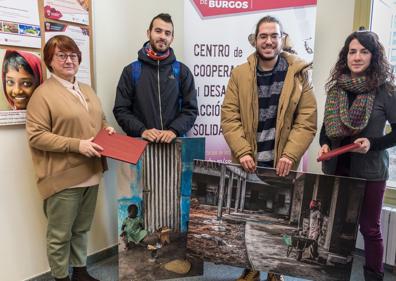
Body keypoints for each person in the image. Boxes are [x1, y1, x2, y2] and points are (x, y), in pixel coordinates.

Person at [221, 15, 317, 281]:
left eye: (274, 36)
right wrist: (242, 151)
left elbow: (306, 119)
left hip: (281, 162)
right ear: (255, 40)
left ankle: (276, 271)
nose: (269, 41)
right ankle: (251, 268)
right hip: (248, 160)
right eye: (263, 36)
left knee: (279, 220)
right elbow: (229, 117)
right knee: (251, 218)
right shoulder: (239, 73)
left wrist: (289, 154)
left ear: (281, 39)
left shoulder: (298, 74)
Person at [26, 35, 115, 281]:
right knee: (59, 234)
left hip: (92, 173)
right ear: (50, 61)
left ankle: (80, 272)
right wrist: (77, 145)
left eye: (73, 55)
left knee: (82, 228)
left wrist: (106, 129)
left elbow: (101, 118)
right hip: (63, 177)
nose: (69, 60)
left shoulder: (86, 89)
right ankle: (60, 277)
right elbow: (37, 137)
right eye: (61, 55)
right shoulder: (42, 95)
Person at [318, 30, 396, 281]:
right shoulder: (337, 88)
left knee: (370, 229)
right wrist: (324, 145)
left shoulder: (385, 91)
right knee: (336, 226)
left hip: (371, 173)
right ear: (346, 55)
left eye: (364, 51)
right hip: (338, 168)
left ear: (373, 56)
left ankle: (373, 277)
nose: (357, 57)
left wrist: (371, 144)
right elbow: (326, 129)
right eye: (353, 51)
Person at [113, 13, 198, 143]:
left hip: (174, 147)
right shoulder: (131, 71)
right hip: (140, 147)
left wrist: (174, 130)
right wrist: (142, 130)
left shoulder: (182, 71)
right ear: (149, 33)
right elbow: (121, 110)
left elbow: (191, 110)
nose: (162, 36)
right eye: (158, 31)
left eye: (167, 33)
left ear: (172, 38)